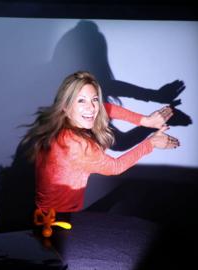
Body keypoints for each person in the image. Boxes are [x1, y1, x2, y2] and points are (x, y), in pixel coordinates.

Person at [21, 71, 179, 214]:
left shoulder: (56, 124)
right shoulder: (76, 144)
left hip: (45, 211)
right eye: (81, 101)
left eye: (94, 99)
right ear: (66, 107)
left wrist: (146, 120)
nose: (91, 108)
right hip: (58, 222)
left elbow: (106, 108)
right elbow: (115, 167)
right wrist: (151, 143)